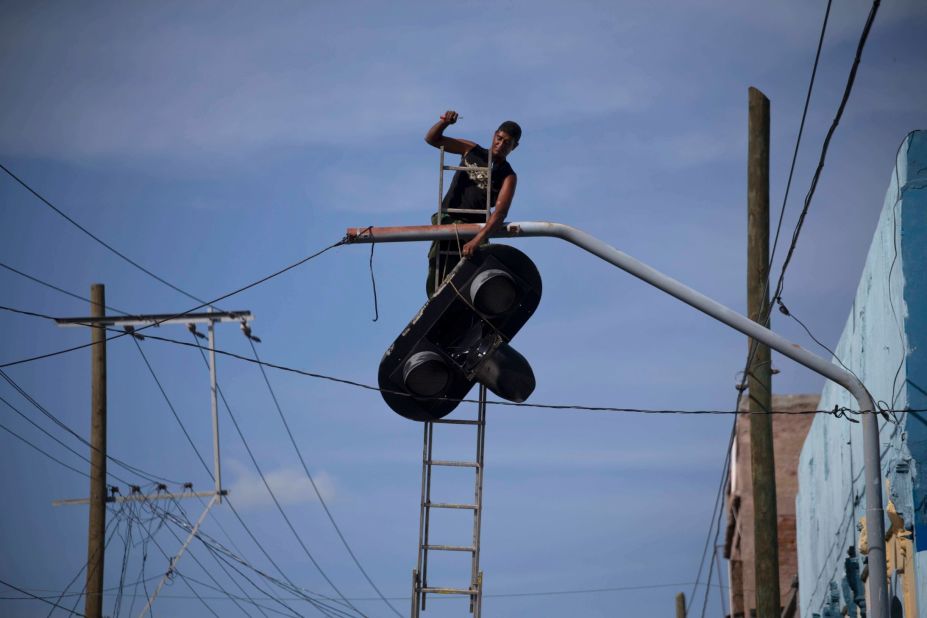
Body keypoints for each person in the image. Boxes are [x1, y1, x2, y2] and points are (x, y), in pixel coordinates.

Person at [423, 110, 521, 296]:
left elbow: (500, 213)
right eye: (499, 138)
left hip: (475, 229)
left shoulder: (508, 175)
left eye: (507, 143)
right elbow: (432, 139)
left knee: (474, 277)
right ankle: (436, 305)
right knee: (438, 275)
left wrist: (477, 240)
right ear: (494, 135)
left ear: (514, 147)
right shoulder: (471, 150)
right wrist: (444, 122)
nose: (500, 145)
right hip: (448, 220)